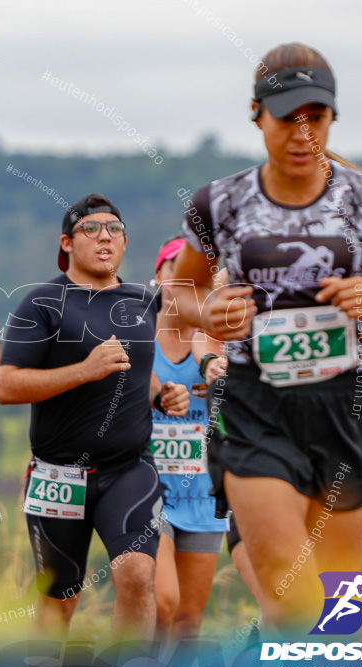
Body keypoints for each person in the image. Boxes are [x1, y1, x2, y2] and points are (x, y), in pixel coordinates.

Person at [171, 43, 362, 632]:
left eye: (317, 118)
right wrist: (210, 315)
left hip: (344, 415)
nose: (303, 133)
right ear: (256, 115)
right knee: (291, 595)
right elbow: (178, 296)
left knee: (336, 611)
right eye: (286, 117)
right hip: (255, 410)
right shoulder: (218, 204)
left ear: (332, 118)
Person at [0, 194, 189, 640]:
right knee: (59, 600)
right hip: (58, 473)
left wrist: (162, 395)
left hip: (129, 469)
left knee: (138, 576)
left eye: (115, 228)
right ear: (66, 243)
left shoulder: (144, 301)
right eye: (91, 228)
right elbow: (7, 387)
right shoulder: (41, 303)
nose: (105, 235)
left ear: (124, 242)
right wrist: (84, 371)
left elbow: (137, 369)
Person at [226, 257, 362, 626]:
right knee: (268, 567)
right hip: (267, 425)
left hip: (349, 426)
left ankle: (331, 647)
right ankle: (274, 638)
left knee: (335, 574)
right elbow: (204, 338)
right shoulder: (243, 264)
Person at [149, 239, 228, 641]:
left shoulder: (218, 348)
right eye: (174, 272)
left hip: (203, 496)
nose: (185, 286)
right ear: (158, 277)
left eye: (198, 280)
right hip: (146, 492)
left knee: (187, 624)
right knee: (162, 605)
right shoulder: (135, 341)